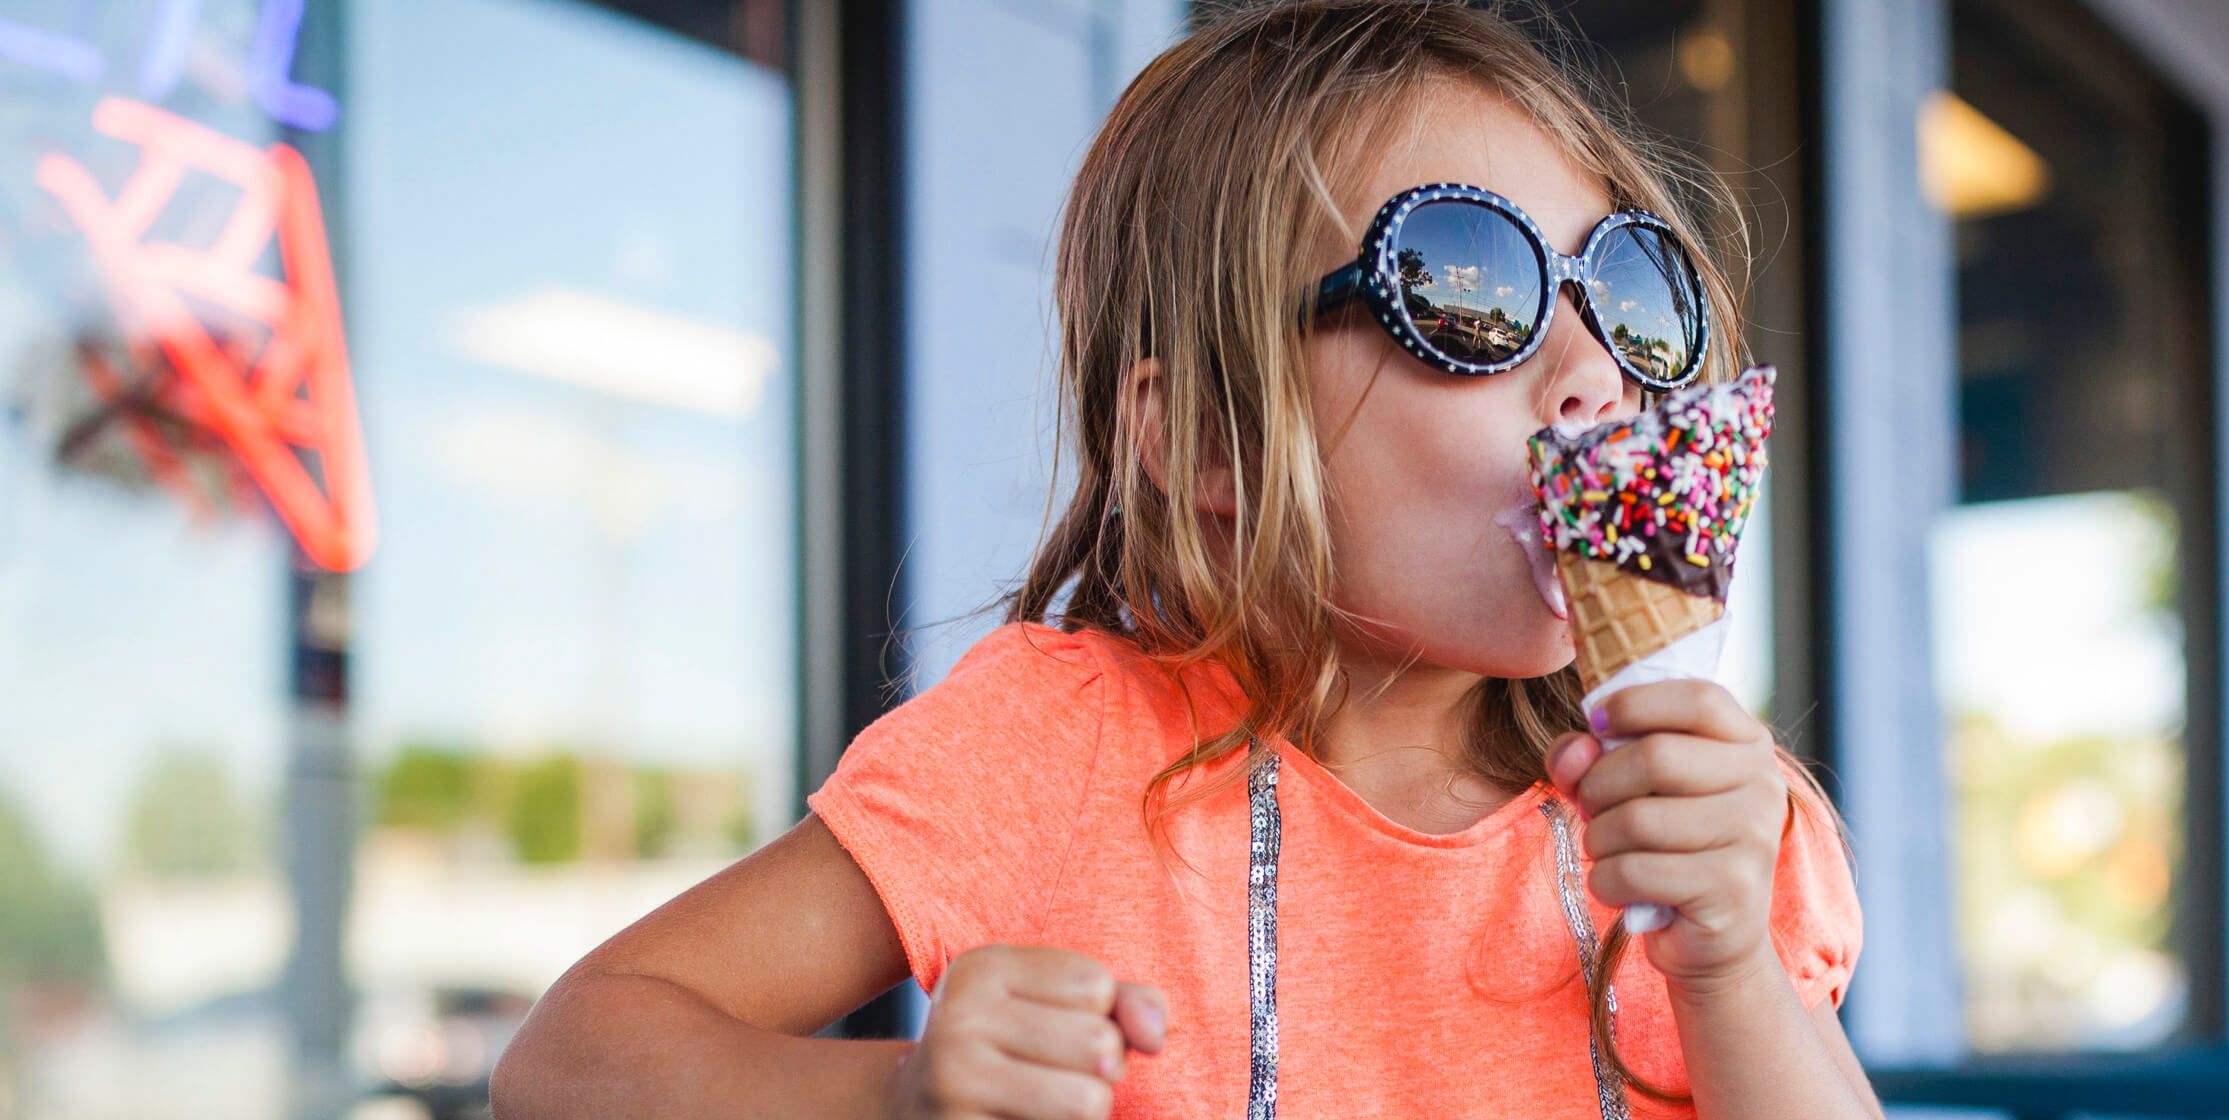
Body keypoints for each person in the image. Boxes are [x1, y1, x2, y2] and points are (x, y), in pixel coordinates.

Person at [491, 2, 1873, 1116]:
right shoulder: (1058, 750)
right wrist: (905, 1092)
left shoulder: (1727, 824)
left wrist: (1730, 961)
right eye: (1472, 289)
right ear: (1209, 441)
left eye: (1631, 295)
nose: (1593, 378)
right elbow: (566, 1062)